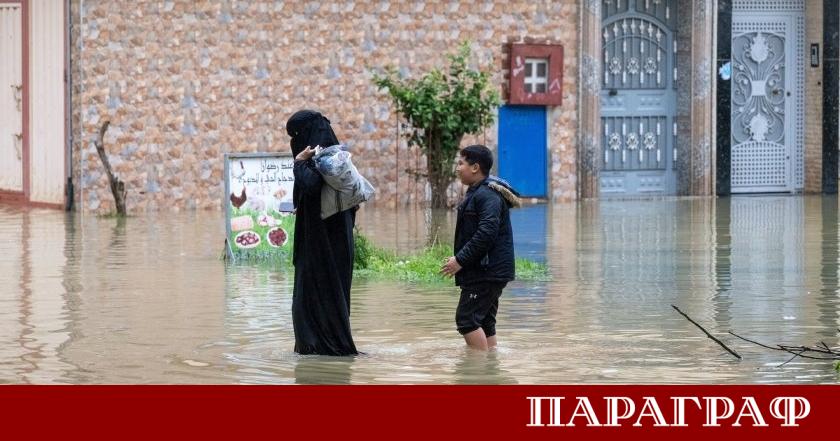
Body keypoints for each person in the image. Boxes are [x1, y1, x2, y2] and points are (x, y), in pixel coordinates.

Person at [286, 110, 358, 356]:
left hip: (321, 248)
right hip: (333, 243)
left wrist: (298, 162)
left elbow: (312, 185)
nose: (293, 141)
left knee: (311, 300)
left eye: (295, 135)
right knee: (327, 296)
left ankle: (321, 351)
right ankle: (326, 351)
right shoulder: (337, 159)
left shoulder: (326, 159)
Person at [441, 145, 519, 350]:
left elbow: (486, 234)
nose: (457, 168)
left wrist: (459, 260)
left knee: (466, 320)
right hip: (488, 270)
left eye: (461, 163)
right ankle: (490, 372)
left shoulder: (487, 196)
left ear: (475, 167)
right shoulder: (479, 193)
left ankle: (478, 374)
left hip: (487, 272)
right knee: (484, 322)